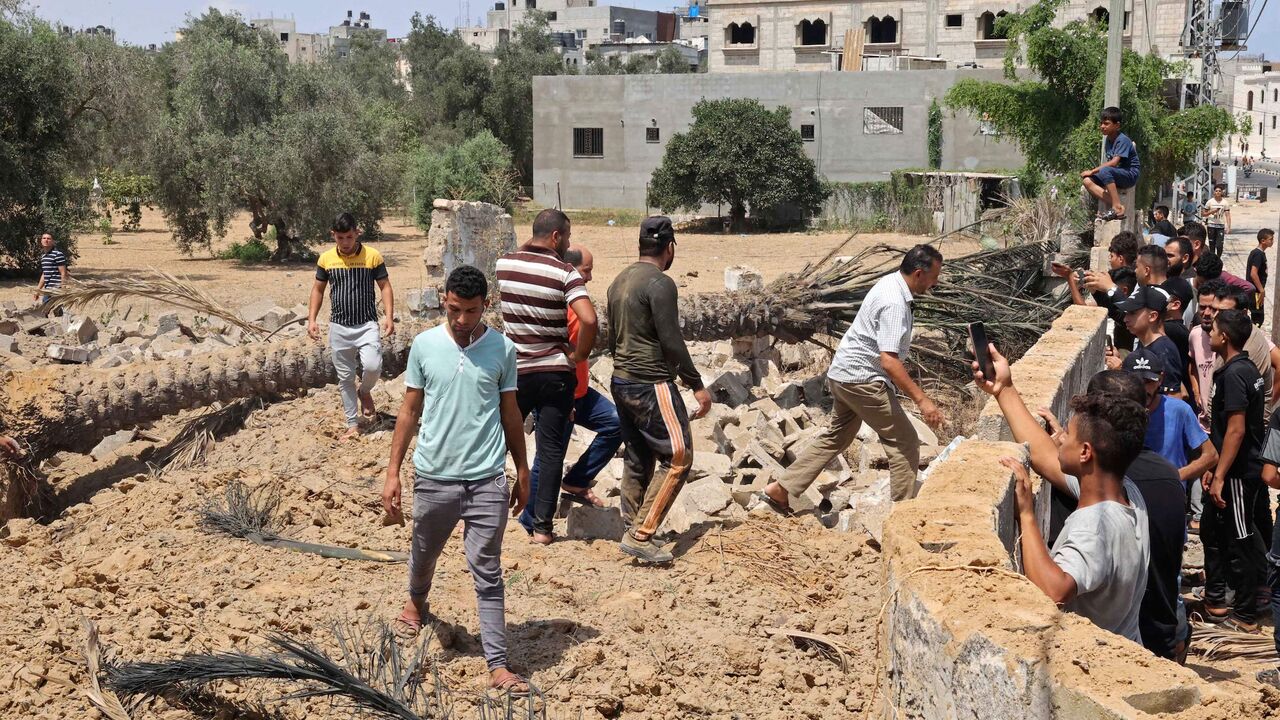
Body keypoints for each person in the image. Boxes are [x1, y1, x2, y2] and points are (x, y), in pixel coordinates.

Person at [381, 265, 531, 695]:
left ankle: (498, 665)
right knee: (423, 552)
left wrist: (522, 470)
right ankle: (415, 604)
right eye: (453, 309)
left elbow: (510, 414)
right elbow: (409, 411)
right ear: (442, 300)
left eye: (470, 311)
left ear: (486, 305)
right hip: (434, 477)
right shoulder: (425, 346)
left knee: (488, 571)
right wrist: (392, 472)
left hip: (486, 480)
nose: (462, 320)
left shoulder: (502, 349)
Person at [975, 355, 1152, 646]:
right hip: (1129, 645)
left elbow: (1055, 591)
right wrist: (1004, 389)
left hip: (1094, 665)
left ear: (1085, 453)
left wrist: (1027, 516)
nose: (1059, 438)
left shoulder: (1093, 525)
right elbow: (1045, 456)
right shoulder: (1128, 493)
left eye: (1067, 434)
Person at [758, 245, 945, 513]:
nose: (935, 283)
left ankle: (780, 490)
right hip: (863, 380)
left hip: (843, 375)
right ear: (918, 274)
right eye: (934, 277)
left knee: (838, 436)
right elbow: (889, 361)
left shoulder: (891, 283)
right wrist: (923, 401)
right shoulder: (895, 303)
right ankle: (903, 517)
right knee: (904, 441)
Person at [605, 216, 711, 564]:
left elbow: (611, 339)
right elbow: (671, 341)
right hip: (650, 382)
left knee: (638, 457)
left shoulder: (618, 281)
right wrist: (696, 385)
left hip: (621, 379)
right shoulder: (660, 283)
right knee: (678, 457)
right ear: (669, 248)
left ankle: (631, 524)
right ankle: (641, 534)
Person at [496, 209, 598, 546]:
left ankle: (489, 513)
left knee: (499, 444)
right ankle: (542, 530)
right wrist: (579, 355)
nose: (567, 244)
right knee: (552, 451)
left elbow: (531, 244)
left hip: (516, 373)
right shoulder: (565, 272)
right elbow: (589, 319)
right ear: (556, 237)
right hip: (555, 372)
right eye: (565, 237)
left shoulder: (505, 264)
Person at [517, 244, 622, 534]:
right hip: (561, 392)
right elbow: (567, 354)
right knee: (549, 457)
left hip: (579, 392)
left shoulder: (566, 301)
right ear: (572, 269)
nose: (589, 277)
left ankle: (576, 480)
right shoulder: (569, 307)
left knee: (615, 423)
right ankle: (531, 518)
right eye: (586, 270)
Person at [1203, 308, 1268, 632]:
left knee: (1242, 538)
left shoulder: (1233, 375)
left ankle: (1246, 616)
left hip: (1241, 472)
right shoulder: (1244, 368)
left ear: (1224, 337)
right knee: (1233, 534)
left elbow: (1236, 430)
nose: (1208, 332)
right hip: (1236, 468)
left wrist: (1221, 474)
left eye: (1213, 328)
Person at [307, 212, 395, 440]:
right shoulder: (326, 260)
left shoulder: (372, 257)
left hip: (367, 324)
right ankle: (352, 424)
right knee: (345, 378)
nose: (345, 243)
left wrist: (389, 316)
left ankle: (364, 391)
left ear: (357, 233)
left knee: (373, 366)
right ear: (333, 235)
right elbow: (318, 289)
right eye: (340, 238)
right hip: (339, 327)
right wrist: (312, 319)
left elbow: (385, 285)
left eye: (349, 237)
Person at [1123, 347, 1218, 499]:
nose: (1142, 388)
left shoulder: (1179, 410)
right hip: (1128, 497)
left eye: (1148, 381)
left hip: (1168, 497)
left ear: (1160, 379)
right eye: (1136, 381)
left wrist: (1175, 476)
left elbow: (1211, 455)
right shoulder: (1118, 411)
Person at [1107, 286, 1184, 397]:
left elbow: (1174, 398)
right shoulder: (1145, 343)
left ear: (1152, 316)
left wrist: (1121, 371)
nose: (1125, 319)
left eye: (1132, 313)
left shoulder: (1163, 350)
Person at [1081, 106, 1141, 220]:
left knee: (1104, 170)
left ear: (1117, 125)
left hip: (1130, 175)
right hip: (1118, 173)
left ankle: (1116, 207)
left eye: (1106, 123)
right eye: (1101, 123)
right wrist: (1092, 174)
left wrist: (1092, 170)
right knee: (1087, 181)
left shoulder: (1122, 140)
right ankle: (1116, 203)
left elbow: (1113, 163)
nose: (1102, 126)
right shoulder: (1108, 140)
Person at [34, 232, 68, 306]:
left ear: (53, 241)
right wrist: (38, 290)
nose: (46, 240)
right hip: (47, 289)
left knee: (49, 310)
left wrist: (63, 288)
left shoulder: (58, 255)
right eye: (44, 238)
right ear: (41, 241)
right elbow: (44, 274)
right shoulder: (43, 257)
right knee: (48, 311)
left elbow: (63, 273)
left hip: (56, 289)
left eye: (48, 238)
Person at [1247, 228, 1273, 325]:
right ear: (1263, 241)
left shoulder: (1259, 253)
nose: (1272, 241)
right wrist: (1261, 290)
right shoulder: (1258, 254)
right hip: (1256, 292)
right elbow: (1253, 273)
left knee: (1257, 318)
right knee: (1258, 319)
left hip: (1256, 291)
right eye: (1270, 239)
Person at [1201, 184, 1231, 257]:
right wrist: (1212, 212)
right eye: (1216, 191)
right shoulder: (1210, 202)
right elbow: (1203, 214)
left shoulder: (1225, 203)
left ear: (1222, 193)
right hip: (1211, 225)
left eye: (1219, 191)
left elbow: (1227, 215)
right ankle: (1212, 260)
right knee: (1212, 244)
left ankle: (1218, 258)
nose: (1218, 192)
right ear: (1214, 192)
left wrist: (1228, 227)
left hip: (1220, 226)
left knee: (1219, 245)